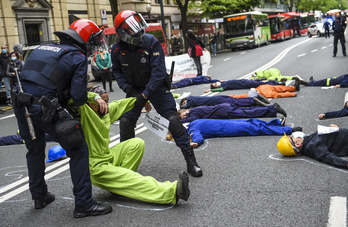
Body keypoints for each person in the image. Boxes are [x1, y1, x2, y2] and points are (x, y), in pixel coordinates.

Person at [12, 19, 112, 218]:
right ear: (85, 40)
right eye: (93, 40)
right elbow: (78, 97)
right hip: (44, 106)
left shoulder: (44, 46)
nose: (94, 45)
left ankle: (39, 196)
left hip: (20, 102)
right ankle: (84, 204)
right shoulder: (77, 56)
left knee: (34, 149)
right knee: (78, 148)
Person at [111, 10, 202, 177]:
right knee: (125, 122)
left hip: (156, 87)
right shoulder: (116, 49)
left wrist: (145, 95)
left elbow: (158, 73)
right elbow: (117, 72)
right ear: (122, 32)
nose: (137, 31)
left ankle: (191, 162)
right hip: (134, 90)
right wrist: (128, 89)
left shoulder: (151, 42)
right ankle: (125, 166)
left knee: (173, 121)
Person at [76, 86, 190, 205]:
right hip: (95, 166)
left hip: (107, 156)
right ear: (91, 104)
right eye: (102, 102)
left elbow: (128, 102)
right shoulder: (84, 112)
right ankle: (172, 192)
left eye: (107, 101)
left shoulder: (106, 112)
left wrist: (146, 99)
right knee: (132, 179)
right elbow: (72, 96)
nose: (106, 105)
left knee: (136, 143)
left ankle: (118, 185)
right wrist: (94, 97)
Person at [167, 118, 301, 148]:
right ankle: (288, 130)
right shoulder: (192, 128)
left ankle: (276, 123)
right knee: (255, 127)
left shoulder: (191, 124)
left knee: (253, 124)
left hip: (227, 125)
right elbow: (197, 137)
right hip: (228, 128)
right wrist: (195, 142)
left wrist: (195, 141)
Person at [276, 124, 348, 169]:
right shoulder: (313, 146)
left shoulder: (309, 140)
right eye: (291, 137)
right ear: (298, 144)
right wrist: (345, 164)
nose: (292, 134)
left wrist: (333, 129)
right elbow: (328, 157)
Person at [178, 102, 287, 123]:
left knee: (249, 113)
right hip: (224, 108)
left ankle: (273, 108)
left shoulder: (193, 111)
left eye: (184, 115)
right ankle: (272, 108)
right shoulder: (195, 110)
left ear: (185, 111)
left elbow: (192, 119)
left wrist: (180, 121)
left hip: (224, 112)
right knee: (248, 111)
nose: (185, 116)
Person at [179, 94, 270, 109]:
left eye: (184, 102)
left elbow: (187, 106)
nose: (185, 104)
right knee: (235, 100)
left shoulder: (190, 99)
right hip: (218, 98)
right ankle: (255, 98)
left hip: (217, 101)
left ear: (185, 100)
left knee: (235, 103)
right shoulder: (194, 99)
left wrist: (179, 107)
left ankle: (253, 101)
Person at [204, 79, 285, 93]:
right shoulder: (224, 87)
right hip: (246, 84)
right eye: (215, 84)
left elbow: (221, 81)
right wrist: (211, 90)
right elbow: (220, 90)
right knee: (262, 84)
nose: (216, 83)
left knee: (261, 82)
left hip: (245, 80)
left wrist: (220, 81)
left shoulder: (224, 83)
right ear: (217, 87)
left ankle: (275, 82)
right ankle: (280, 84)